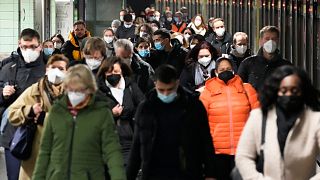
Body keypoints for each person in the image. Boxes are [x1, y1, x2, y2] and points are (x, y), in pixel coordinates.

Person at [32, 64, 126, 180]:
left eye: (80, 90)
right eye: (71, 89)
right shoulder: (57, 111)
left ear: (90, 89)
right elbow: (45, 151)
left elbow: (112, 152)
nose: (75, 93)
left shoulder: (102, 113)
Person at [127, 64, 215, 180]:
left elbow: (206, 141)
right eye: (161, 90)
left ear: (177, 83)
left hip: (186, 172)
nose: (165, 94)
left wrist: (211, 173)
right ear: (155, 85)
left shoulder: (193, 107)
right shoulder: (145, 109)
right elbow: (137, 145)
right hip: (154, 172)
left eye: (170, 89)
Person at [235, 65, 320, 180]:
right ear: (275, 91)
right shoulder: (259, 117)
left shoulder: (315, 120)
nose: (289, 95)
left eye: (294, 90)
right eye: (283, 91)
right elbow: (243, 156)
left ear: (303, 92)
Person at [8, 54, 69, 180]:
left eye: (61, 68)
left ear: (67, 72)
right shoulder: (34, 91)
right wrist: (28, 111)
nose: (56, 71)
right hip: (36, 158)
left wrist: (44, 118)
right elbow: (12, 114)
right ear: (46, 69)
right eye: (53, 67)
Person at [200, 57, 260, 180]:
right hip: (217, 152)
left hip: (243, 150)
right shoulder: (207, 92)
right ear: (216, 72)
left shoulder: (246, 89)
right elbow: (200, 122)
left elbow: (258, 116)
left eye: (228, 69)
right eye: (222, 69)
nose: (225, 71)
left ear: (233, 70)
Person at [0, 28, 46, 180]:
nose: (28, 50)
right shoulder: (8, 68)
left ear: (40, 46)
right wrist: (2, 93)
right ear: (19, 45)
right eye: (24, 47)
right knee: (14, 176)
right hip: (13, 134)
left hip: (41, 133)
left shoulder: (49, 69)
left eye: (33, 46)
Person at [97, 57, 144, 166]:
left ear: (122, 71)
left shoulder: (131, 87)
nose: (112, 74)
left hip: (129, 141)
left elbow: (143, 107)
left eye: (116, 71)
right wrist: (111, 114)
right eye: (109, 72)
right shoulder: (98, 91)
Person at [238, 26, 291, 90]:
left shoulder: (286, 66)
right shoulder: (247, 64)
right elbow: (239, 88)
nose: (270, 42)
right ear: (260, 41)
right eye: (267, 39)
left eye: (273, 39)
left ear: (278, 41)